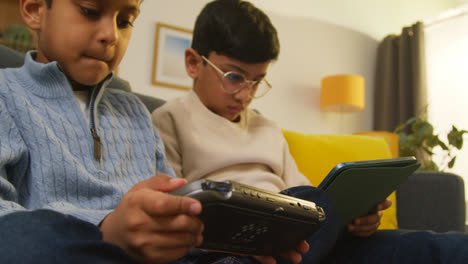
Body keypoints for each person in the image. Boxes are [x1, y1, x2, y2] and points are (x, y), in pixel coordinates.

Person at [152, 0, 468, 263]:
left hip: (303, 248)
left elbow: (308, 205)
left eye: (257, 80)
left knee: (442, 248)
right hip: (233, 249)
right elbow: (173, 215)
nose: (245, 94)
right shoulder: (169, 120)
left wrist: (356, 216)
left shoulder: (267, 129)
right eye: (234, 77)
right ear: (194, 63)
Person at [0, 0, 212, 263]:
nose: (111, 35)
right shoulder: (5, 93)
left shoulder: (135, 111)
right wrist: (106, 228)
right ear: (35, 10)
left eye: (124, 22)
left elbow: (166, 198)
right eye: (90, 11)